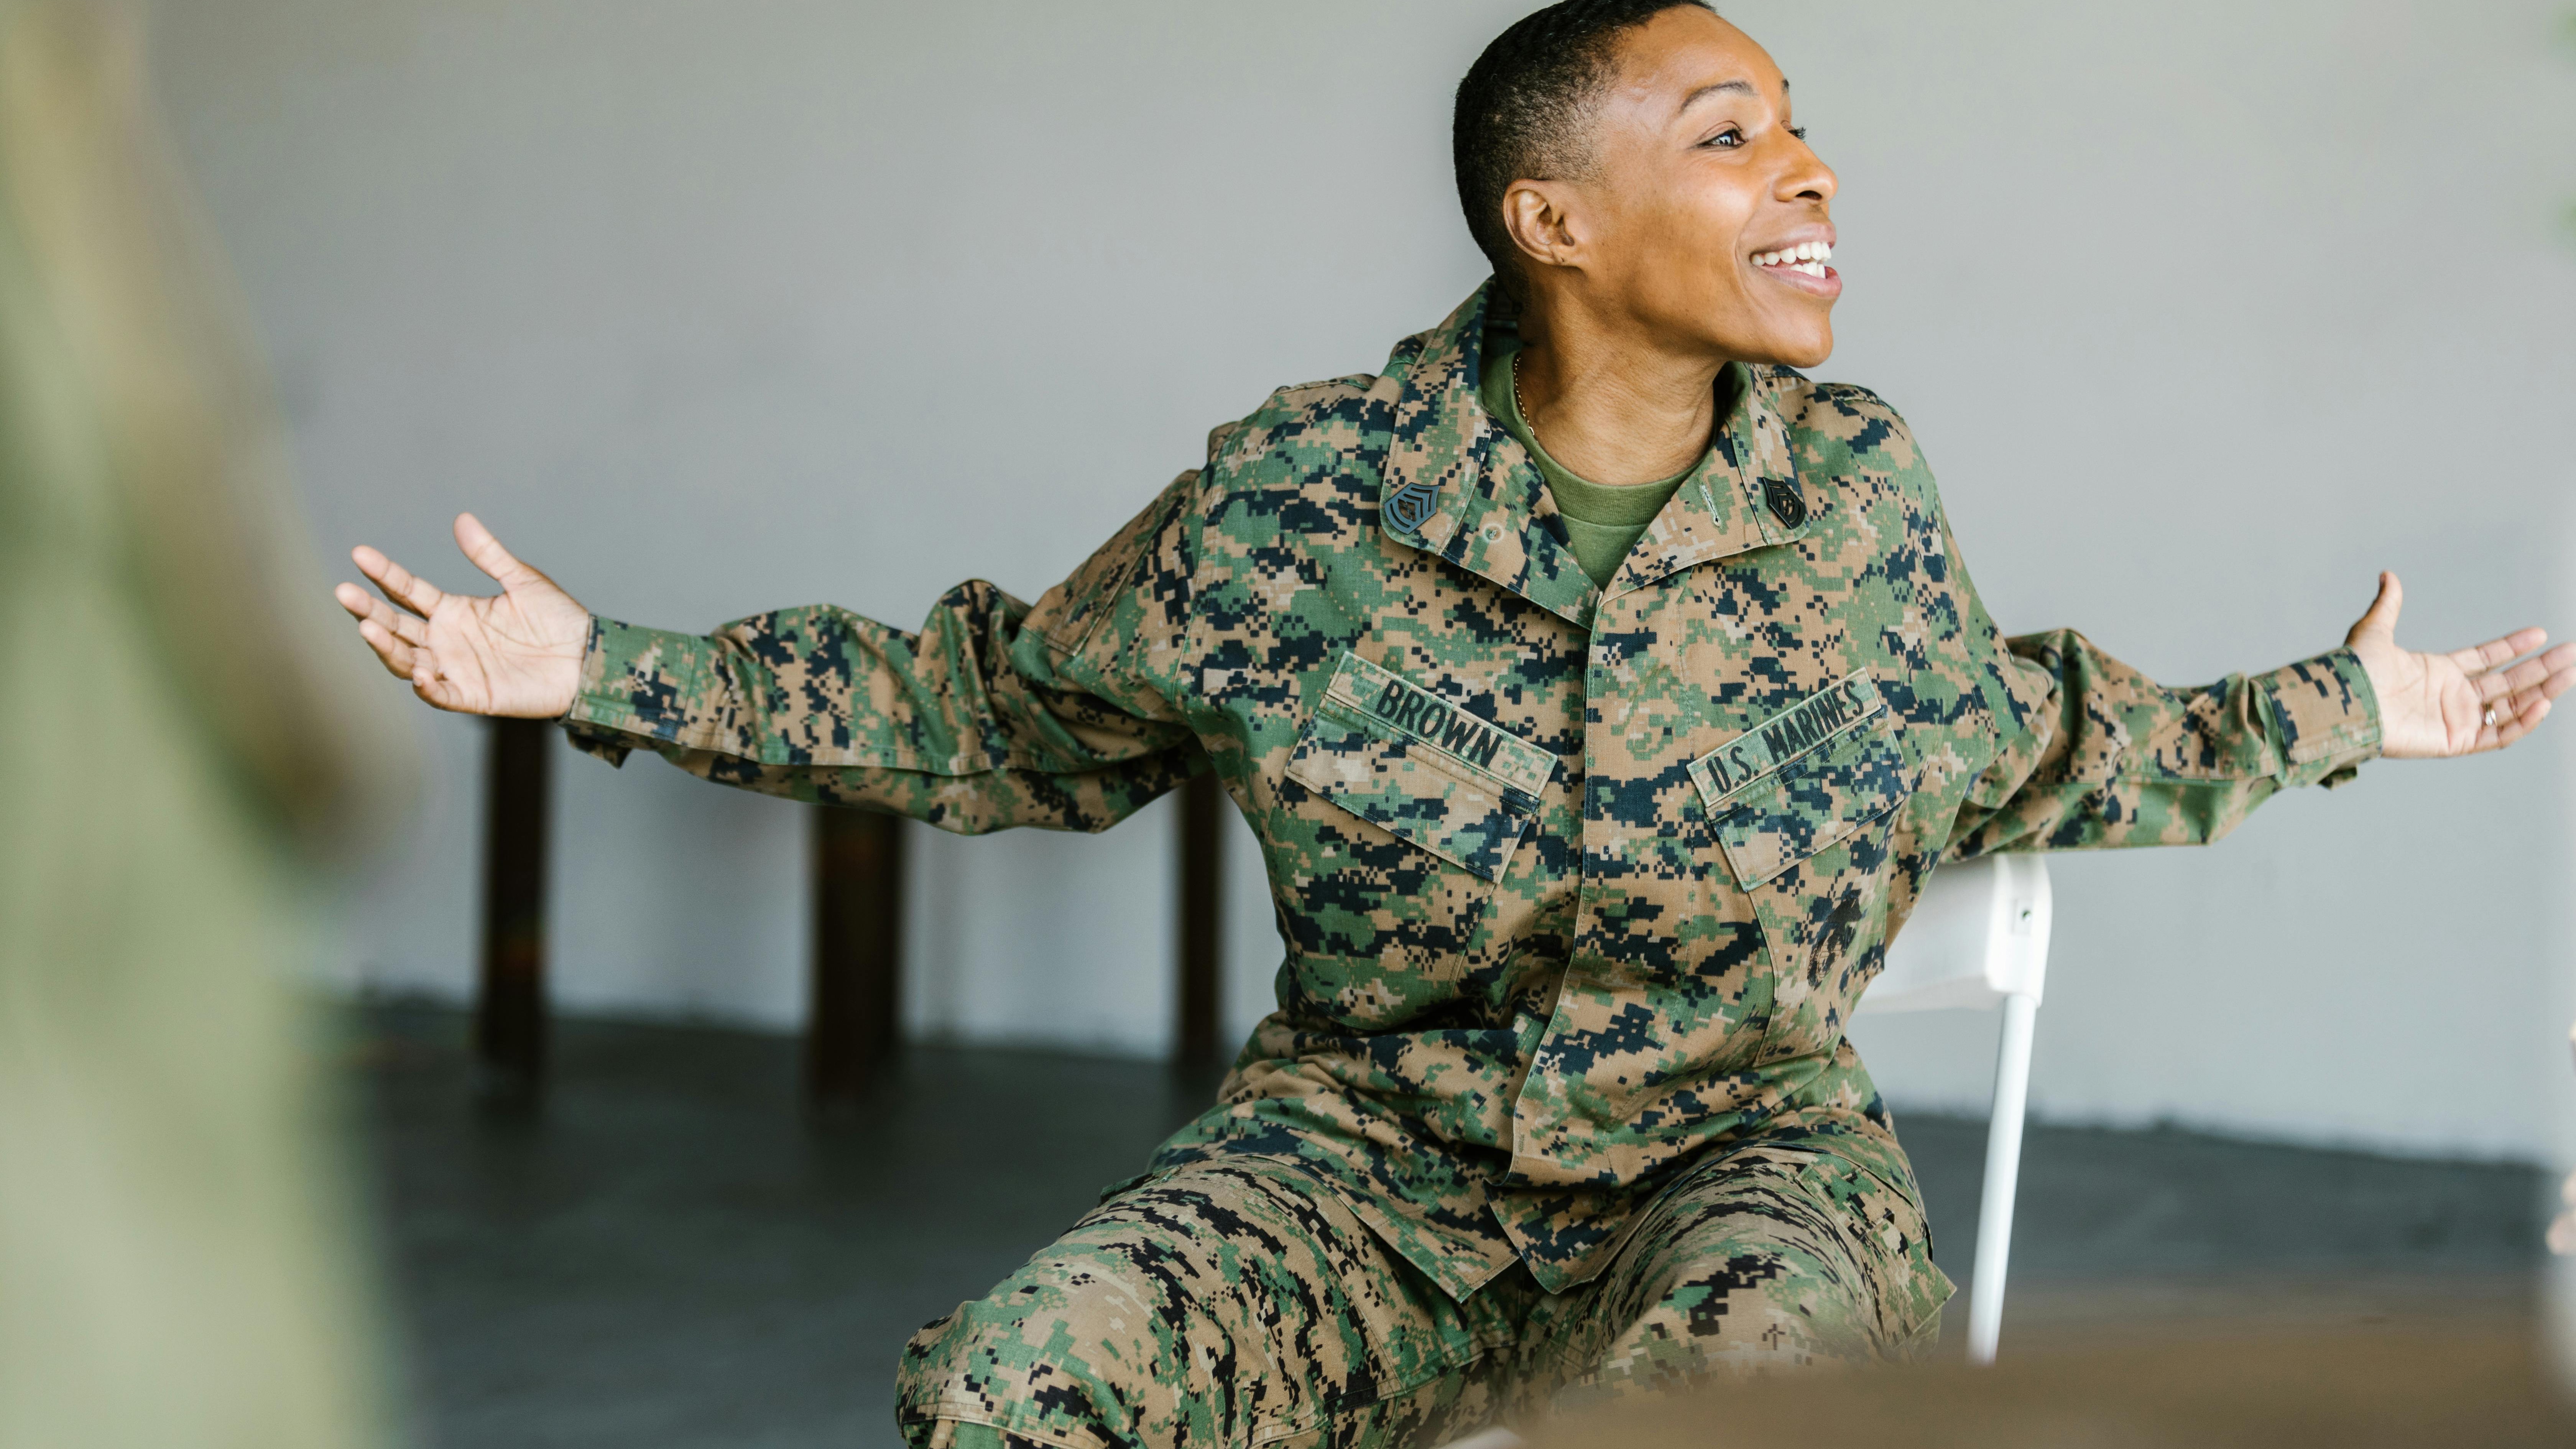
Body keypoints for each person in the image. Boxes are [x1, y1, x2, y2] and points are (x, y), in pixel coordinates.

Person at [335, 3, 2573, 1445]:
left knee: (1753, 1390)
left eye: (1803, 129)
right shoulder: (1304, 503)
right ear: (1555, 219)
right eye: (1732, 134)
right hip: (1364, 1174)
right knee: (1021, 1392)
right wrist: (598, 667)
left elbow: (2011, 738)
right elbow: (1008, 706)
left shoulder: (1855, 488)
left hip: (1730, 1167)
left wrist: (2336, 706)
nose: (1806, 172)